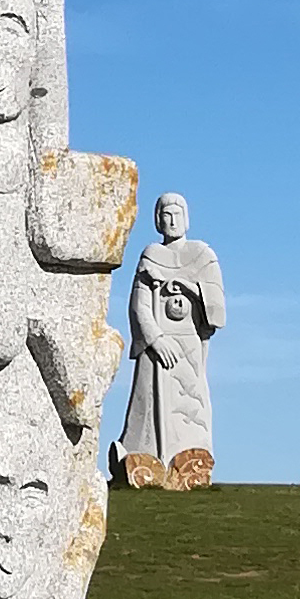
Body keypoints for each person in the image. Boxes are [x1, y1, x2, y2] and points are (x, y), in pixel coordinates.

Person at [115, 193, 226, 487]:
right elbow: (138, 306)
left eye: (177, 213)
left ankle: (191, 462)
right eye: (166, 214)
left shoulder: (202, 255)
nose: (172, 219)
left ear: (186, 217)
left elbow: (217, 309)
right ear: (157, 220)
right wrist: (155, 338)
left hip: (188, 344)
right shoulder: (151, 255)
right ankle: (141, 459)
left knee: (191, 405)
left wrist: (190, 287)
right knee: (151, 408)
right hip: (157, 349)